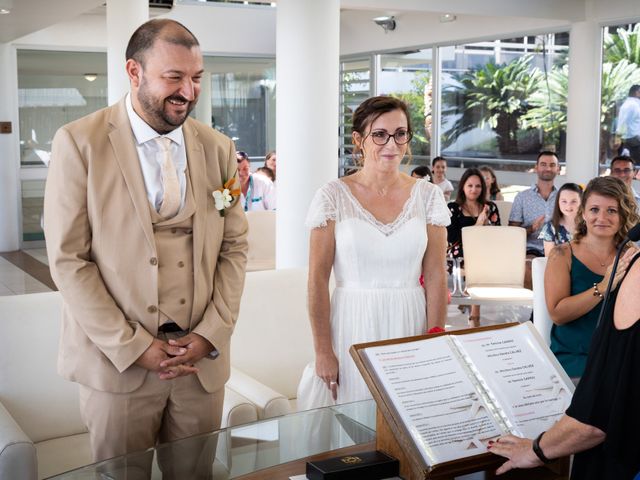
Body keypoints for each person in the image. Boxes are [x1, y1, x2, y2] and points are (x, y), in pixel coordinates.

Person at [43, 19, 248, 474]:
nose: (188, 91)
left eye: (196, 77)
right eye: (173, 77)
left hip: (201, 366)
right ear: (134, 73)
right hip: (118, 366)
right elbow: (67, 260)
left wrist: (211, 333)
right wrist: (134, 346)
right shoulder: (79, 143)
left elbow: (234, 248)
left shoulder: (217, 148)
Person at [297, 96, 450, 409]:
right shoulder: (332, 196)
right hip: (352, 326)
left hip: (410, 323)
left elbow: (436, 275)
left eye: (400, 133)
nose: (391, 144)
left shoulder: (428, 196)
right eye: (379, 135)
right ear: (359, 140)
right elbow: (316, 280)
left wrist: (435, 336)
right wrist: (323, 350)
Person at [489, 241, 640, 479]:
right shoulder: (566, 255)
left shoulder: (636, 273)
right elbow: (558, 313)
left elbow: (597, 418)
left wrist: (535, 450)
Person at [544, 177, 639, 381]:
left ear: (623, 214)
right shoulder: (562, 254)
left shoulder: (632, 256)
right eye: (594, 209)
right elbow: (558, 314)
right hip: (575, 364)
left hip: (620, 362)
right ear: (584, 213)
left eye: (611, 210)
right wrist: (604, 286)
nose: (602, 217)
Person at [446, 168, 501, 327]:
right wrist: (478, 225)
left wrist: (486, 227)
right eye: (470, 185)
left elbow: (497, 236)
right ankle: (474, 315)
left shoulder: (490, 207)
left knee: (481, 261)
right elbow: (453, 239)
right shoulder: (453, 208)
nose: (474, 189)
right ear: (463, 187)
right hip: (459, 255)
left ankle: (472, 308)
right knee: (475, 265)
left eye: (478, 186)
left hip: (486, 252)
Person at [509, 151, 560, 288]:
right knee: (529, 266)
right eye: (543, 164)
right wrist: (532, 228)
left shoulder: (564, 197)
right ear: (536, 168)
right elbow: (512, 234)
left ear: (558, 169)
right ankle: (536, 309)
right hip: (532, 249)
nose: (548, 168)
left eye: (552, 165)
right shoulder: (522, 197)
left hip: (559, 248)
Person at [539, 183, 583, 256]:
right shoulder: (550, 228)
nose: (568, 206)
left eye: (574, 201)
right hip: (560, 266)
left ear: (581, 202)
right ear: (558, 202)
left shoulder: (589, 225)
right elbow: (549, 259)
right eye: (564, 201)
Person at [615, 84, 640, 162]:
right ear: (637, 93)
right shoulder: (631, 105)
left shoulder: (634, 104)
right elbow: (623, 122)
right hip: (632, 143)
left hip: (633, 142)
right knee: (632, 168)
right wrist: (618, 139)